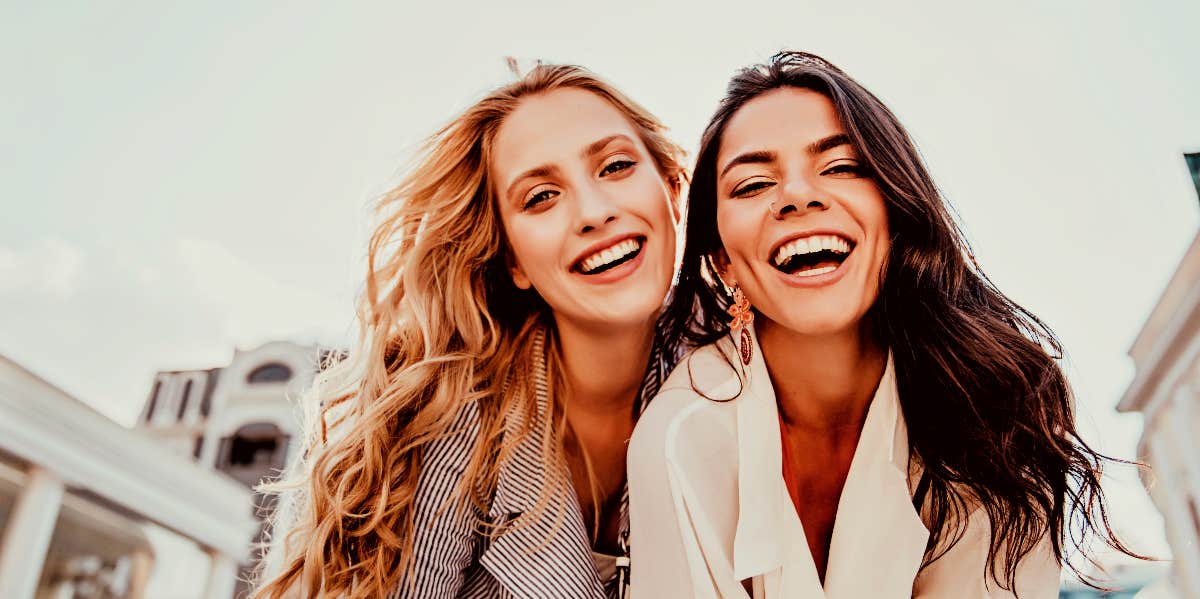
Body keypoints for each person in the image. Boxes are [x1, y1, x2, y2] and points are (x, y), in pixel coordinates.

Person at [629, 51, 1140, 598]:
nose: (798, 196)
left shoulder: (993, 406)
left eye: (842, 167)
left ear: (897, 209)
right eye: (752, 184)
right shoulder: (683, 435)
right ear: (722, 259)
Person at [251, 61, 687, 599]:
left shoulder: (742, 381)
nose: (593, 212)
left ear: (672, 191)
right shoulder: (441, 421)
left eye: (616, 166)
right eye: (540, 197)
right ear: (514, 262)